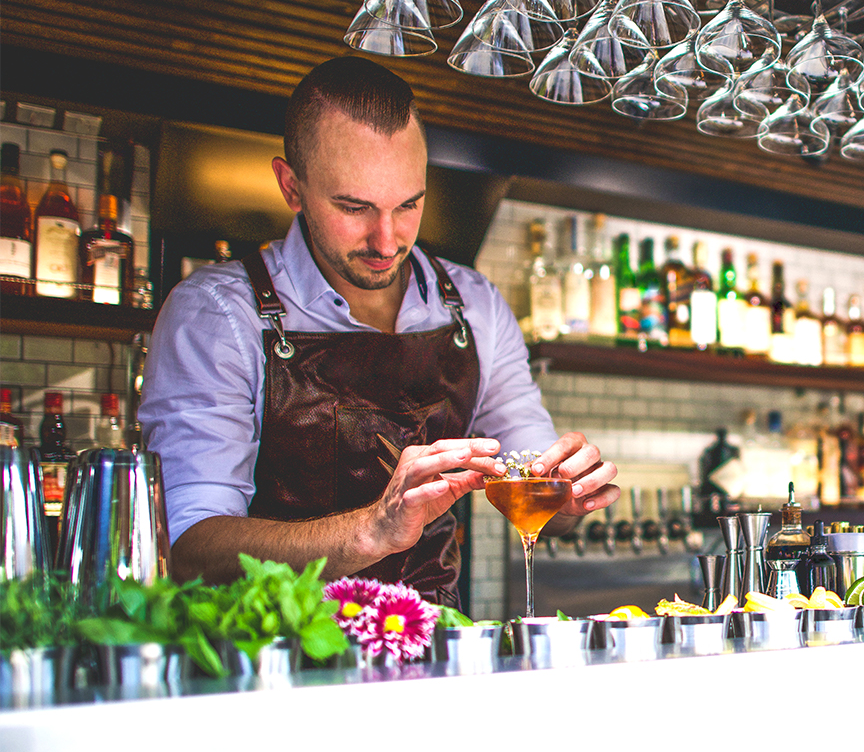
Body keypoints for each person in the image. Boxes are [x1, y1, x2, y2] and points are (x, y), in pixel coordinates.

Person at [140, 57, 619, 606]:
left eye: (408, 204)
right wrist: (372, 529)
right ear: (291, 186)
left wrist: (565, 490)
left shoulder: (476, 307)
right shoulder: (218, 315)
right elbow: (186, 548)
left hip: (433, 655)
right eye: (354, 207)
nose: (387, 239)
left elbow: (542, 496)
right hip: (267, 669)